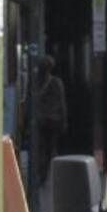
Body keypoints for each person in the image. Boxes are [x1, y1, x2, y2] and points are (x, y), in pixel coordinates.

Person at [32, 54, 67, 188]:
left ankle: (43, 174)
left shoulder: (36, 82)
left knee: (42, 148)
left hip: (41, 120)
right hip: (54, 120)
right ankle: (51, 175)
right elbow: (62, 103)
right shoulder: (57, 82)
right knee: (52, 148)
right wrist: (64, 120)